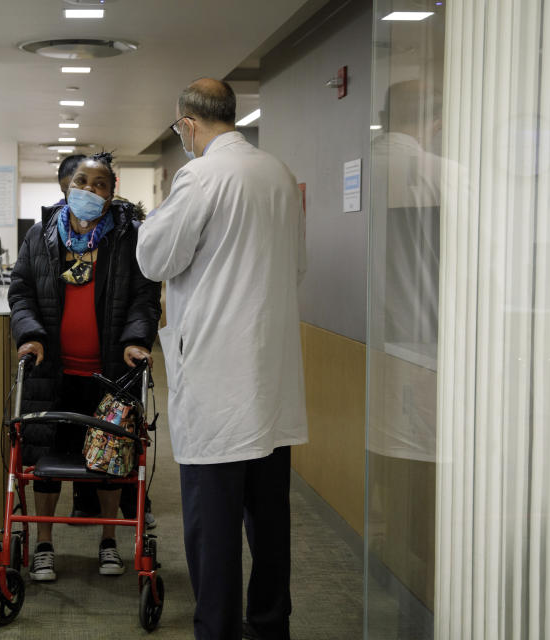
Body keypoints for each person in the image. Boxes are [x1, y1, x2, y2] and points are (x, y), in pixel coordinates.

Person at [136, 78, 308, 640]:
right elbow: (296, 266)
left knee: (212, 526)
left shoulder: (202, 174)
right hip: (269, 377)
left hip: (218, 379)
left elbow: (155, 258)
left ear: (187, 124)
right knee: (269, 518)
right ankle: (269, 624)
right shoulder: (278, 173)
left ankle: (218, 630)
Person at [9, 151, 161, 582]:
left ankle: (110, 541)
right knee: (43, 459)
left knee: (110, 462)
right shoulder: (40, 236)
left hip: (111, 370)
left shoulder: (129, 238)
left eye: (99, 184)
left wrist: (136, 340)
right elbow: (21, 292)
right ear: (65, 186)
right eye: (82, 181)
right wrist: (30, 334)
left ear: (112, 193)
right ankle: (43, 545)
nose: (89, 190)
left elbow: (145, 297)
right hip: (51, 370)